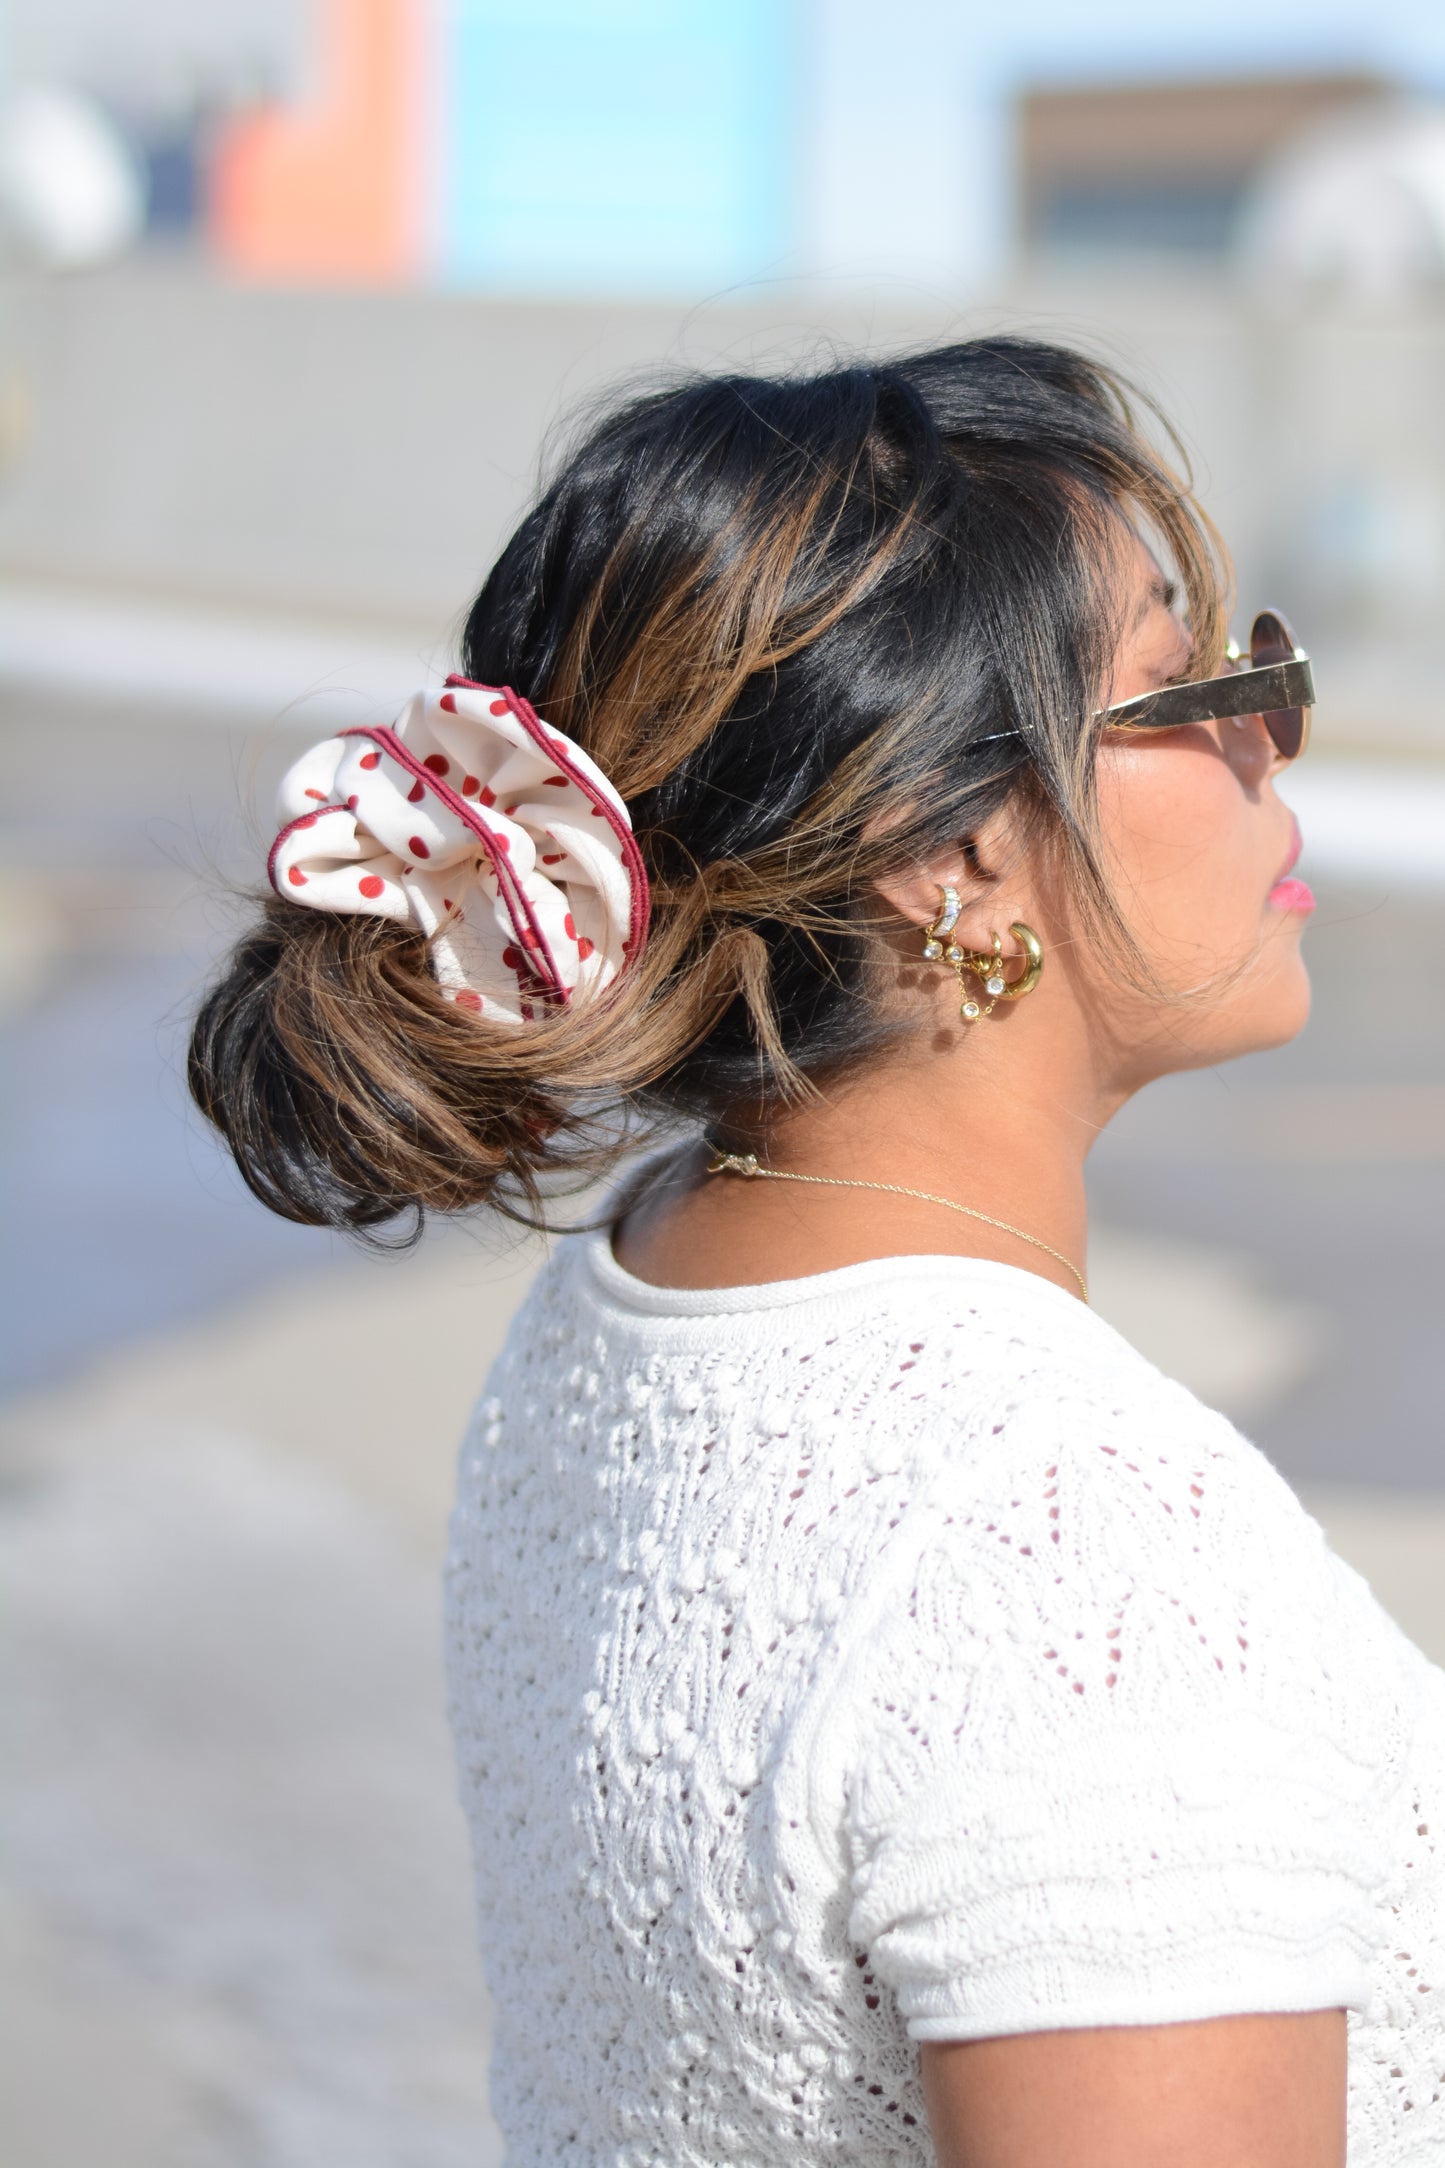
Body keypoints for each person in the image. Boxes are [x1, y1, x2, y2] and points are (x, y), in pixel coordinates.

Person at [189, 340, 1441, 2167]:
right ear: (946, 859)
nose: (1277, 721)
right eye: (1184, 681)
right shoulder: (1087, 1567)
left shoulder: (639, 1296)